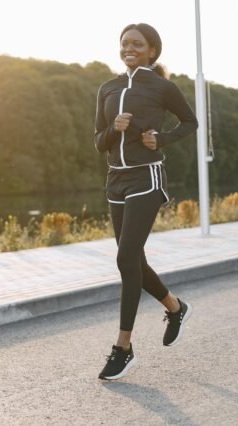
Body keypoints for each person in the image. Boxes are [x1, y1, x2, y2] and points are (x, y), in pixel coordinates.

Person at [94, 23, 198, 380]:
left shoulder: (161, 86)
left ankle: (123, 347)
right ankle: (175, 306)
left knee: (125, 257)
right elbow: (98, 141)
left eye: (137, 44)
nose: (129, 48)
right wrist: (115, 129)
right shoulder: (108, 88)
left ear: (152, 51)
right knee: (133, 259)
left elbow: (190, 122)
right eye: (124, 43)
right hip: (115, 180)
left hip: (146, 177)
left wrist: (162, 139)